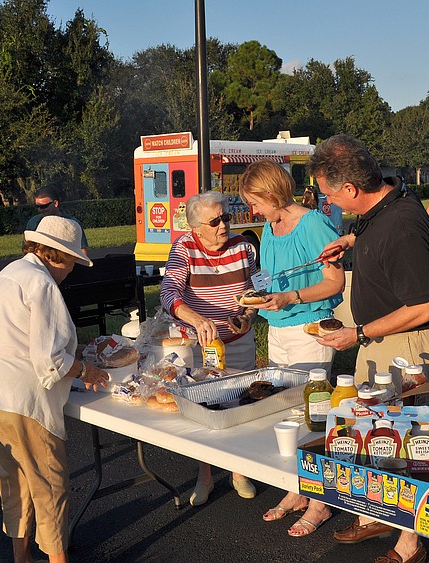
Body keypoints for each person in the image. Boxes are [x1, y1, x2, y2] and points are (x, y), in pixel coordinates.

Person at [311, 135, 429, 563]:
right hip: (379, 341)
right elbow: (376, 230)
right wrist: (351, 243)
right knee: (376, 438)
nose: (329, 204)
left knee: (412, 443)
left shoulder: (402, 225)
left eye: (328, 195)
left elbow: (423, 306)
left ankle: (410, 543)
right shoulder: (382, 206)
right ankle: (379, 516)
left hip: (407, 346)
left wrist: (358, 333)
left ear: (351, 188)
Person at [0, 216, 108, 563]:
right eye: (73, 262)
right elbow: (48, 361)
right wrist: (85, 369)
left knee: (14, 479)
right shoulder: (43, 284)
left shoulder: (11, 272)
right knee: (49, 485)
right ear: (59, 256)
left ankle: (22, 556)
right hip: (21, 398)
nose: (72, 269)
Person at [239, 160, 344, 537]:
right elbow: (270, 279)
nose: (253, 211)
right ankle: (296, 488)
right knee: (285, 412)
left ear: (272, 193)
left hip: (309, 329)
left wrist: (291, 297)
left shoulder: (313, 223)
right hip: (278, 328)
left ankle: (320, 502)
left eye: (255, 201)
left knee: (312, 416)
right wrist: (256, 302)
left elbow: (335, 282)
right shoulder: (270, 226)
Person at [160, 191, 259, 507]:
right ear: (195, 227)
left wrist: (247, 317)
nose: (223, 226)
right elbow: (169, 289)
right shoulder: (184, 247)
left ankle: (239, 469)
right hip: (197, 341)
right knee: (202, 409)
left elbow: (255, 292)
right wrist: (195, 317)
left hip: (236, 341)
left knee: (239, 403)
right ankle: (204, 475)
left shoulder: (243, 247)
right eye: (215, 221)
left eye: (226, 218)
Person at [26, 187, 88, 255]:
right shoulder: (32, 223)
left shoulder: (73, 223)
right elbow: (28, 249)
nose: (40, 210)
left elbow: (82, 250)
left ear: (55, 203)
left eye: (44, 206)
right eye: (37, 206)